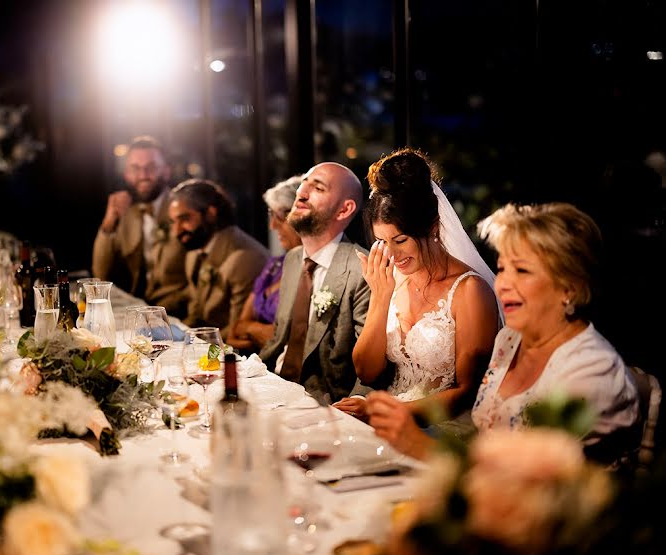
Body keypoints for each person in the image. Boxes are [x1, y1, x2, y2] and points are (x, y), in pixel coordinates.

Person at [349, 202, 641, 465]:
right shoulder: (509, 341)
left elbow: (542, 493)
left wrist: (424, 445)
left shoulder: (592, 372)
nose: (502, 285)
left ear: (570, 288)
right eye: (502, 269)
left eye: (523, 271)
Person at [334, 149, 500, 430]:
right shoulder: (393, 279)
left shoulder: (470, 290)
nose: (393, 254)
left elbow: (467, 393)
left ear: (433, 228)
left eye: (400, 240)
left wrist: (389, 411)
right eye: (382, 241)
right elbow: (367, 371)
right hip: (388, 416)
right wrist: (380, 297)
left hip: (443, 428)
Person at [258, 162, 373, 401]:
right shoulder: (292, 259)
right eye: (303, 183)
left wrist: (357, 404)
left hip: (324, 403)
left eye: (318, 188)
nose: (301, 193)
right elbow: (280, 338)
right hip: (272, 385)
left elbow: (371, 367)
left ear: (344, 210)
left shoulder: (361, 269)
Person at [92, 135, 188, 318]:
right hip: (136, 312)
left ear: (166, 172)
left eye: (151, 168)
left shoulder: (183, 210)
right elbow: (100, 273)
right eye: (135, 169)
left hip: (178, 313)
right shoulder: (126, 212)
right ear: (127, 174)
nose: (143, 176)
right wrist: (109, 222)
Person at [168, 178, 270, 338]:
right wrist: (176, 338)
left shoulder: (245, 259)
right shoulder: (194, 252)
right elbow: (196, 314)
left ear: (210, 213)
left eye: (185, 219)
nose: (176, 231)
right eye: (173, 222)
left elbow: (237, 332)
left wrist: (192, 347)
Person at [226, 174, 303, 354]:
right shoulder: (274, 266)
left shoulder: (312, 270)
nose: (272, 226)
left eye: (278, 217)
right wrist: (261, 333)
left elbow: (291, 342)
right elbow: (236, 330)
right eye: (271, 215)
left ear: (300, 216)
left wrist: (250, 329)